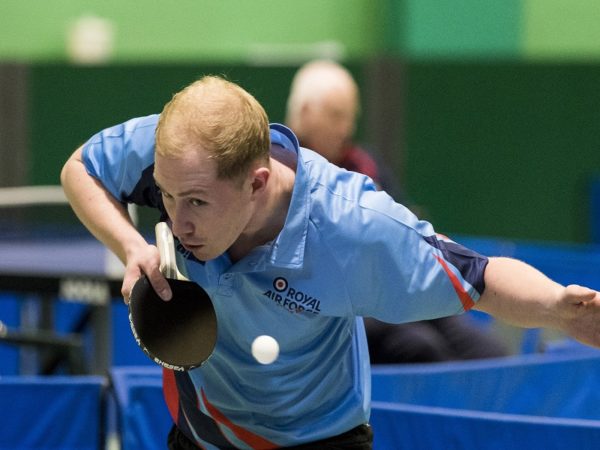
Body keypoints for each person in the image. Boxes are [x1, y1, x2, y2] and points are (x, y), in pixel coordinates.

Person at [61, 75, 600, 449]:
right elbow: (81, 169)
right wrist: (131, 246)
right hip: (204, 434)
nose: (177, 223)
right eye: (166, 196)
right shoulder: (176, 153)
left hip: (319, 440)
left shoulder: (352, 226)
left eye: (197, 202)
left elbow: (478, 277)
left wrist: (560, 309)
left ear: (257, 183)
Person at [285, 59, 509, 363]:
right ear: (305, 114)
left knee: (486, 350)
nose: (347, 128)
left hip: (398, 284)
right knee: (422, 347)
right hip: (340, 306)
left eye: (351, 117)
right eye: (337, 115)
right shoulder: (284, 173)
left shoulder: (365, 165)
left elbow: (408, 225)